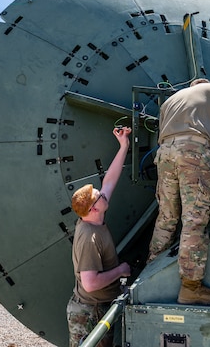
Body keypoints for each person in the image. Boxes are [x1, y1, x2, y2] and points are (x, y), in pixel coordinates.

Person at [147, 78, 210, 305]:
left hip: (164, 153)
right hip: (193, 151)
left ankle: (150, 274)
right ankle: (191, 288)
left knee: (167, 217)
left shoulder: (170, 101)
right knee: (195, 220)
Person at [66, 126, 133, 347]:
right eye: (98, 196)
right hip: (88, 314)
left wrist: (123, 145)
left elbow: (109, 182)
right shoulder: (89, 237)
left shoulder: (92, 216)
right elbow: (90, 283)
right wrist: (121, 270)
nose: (102, 193)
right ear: (94, 209)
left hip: (97, 308)